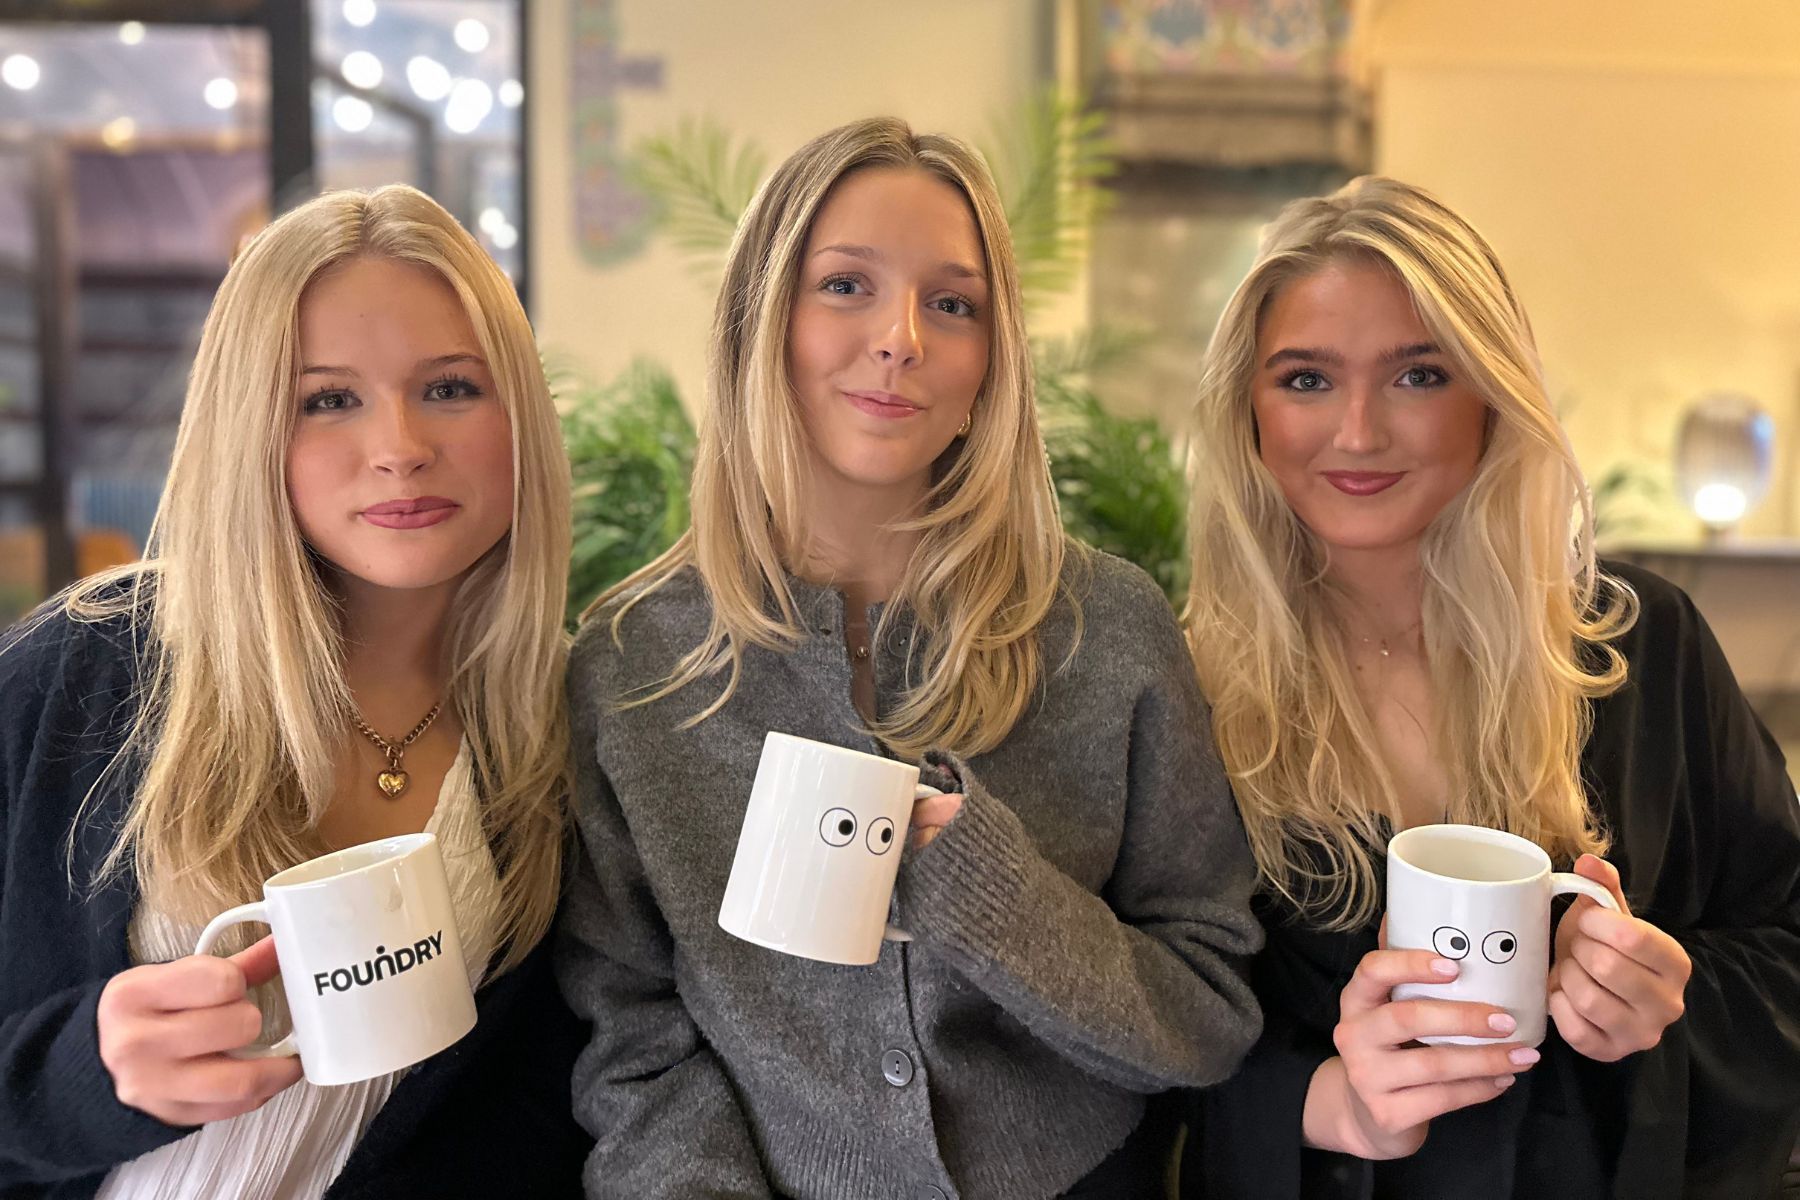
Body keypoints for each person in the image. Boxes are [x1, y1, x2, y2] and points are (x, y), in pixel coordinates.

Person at [556, 116, 1263, 1200]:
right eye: (846, 285)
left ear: (992, 361)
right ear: (763, 318)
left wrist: (984, 891)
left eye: (953, 304)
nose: (901, 338)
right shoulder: (635, 663)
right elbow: (632, 1036)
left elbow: (1205, 1017)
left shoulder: (1108, 630)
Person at [1178, 174, 1800, 1198]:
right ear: (1247, 410)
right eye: (1306, 380)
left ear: (1492, 394)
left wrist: (1670, 998)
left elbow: (1782, 949)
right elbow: (1134, 1053)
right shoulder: (1186, 694)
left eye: (1419, 376)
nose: (1361, 433)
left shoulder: (1641, 649)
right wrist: (1325, 1101)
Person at [0, 184, 589, 1199]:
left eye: (450, 387)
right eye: (328, 400)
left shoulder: (557, 725)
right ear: (251, 432)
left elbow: (540, 1115)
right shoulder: (91, 672)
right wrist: (81, 1072)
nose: (400, 444)